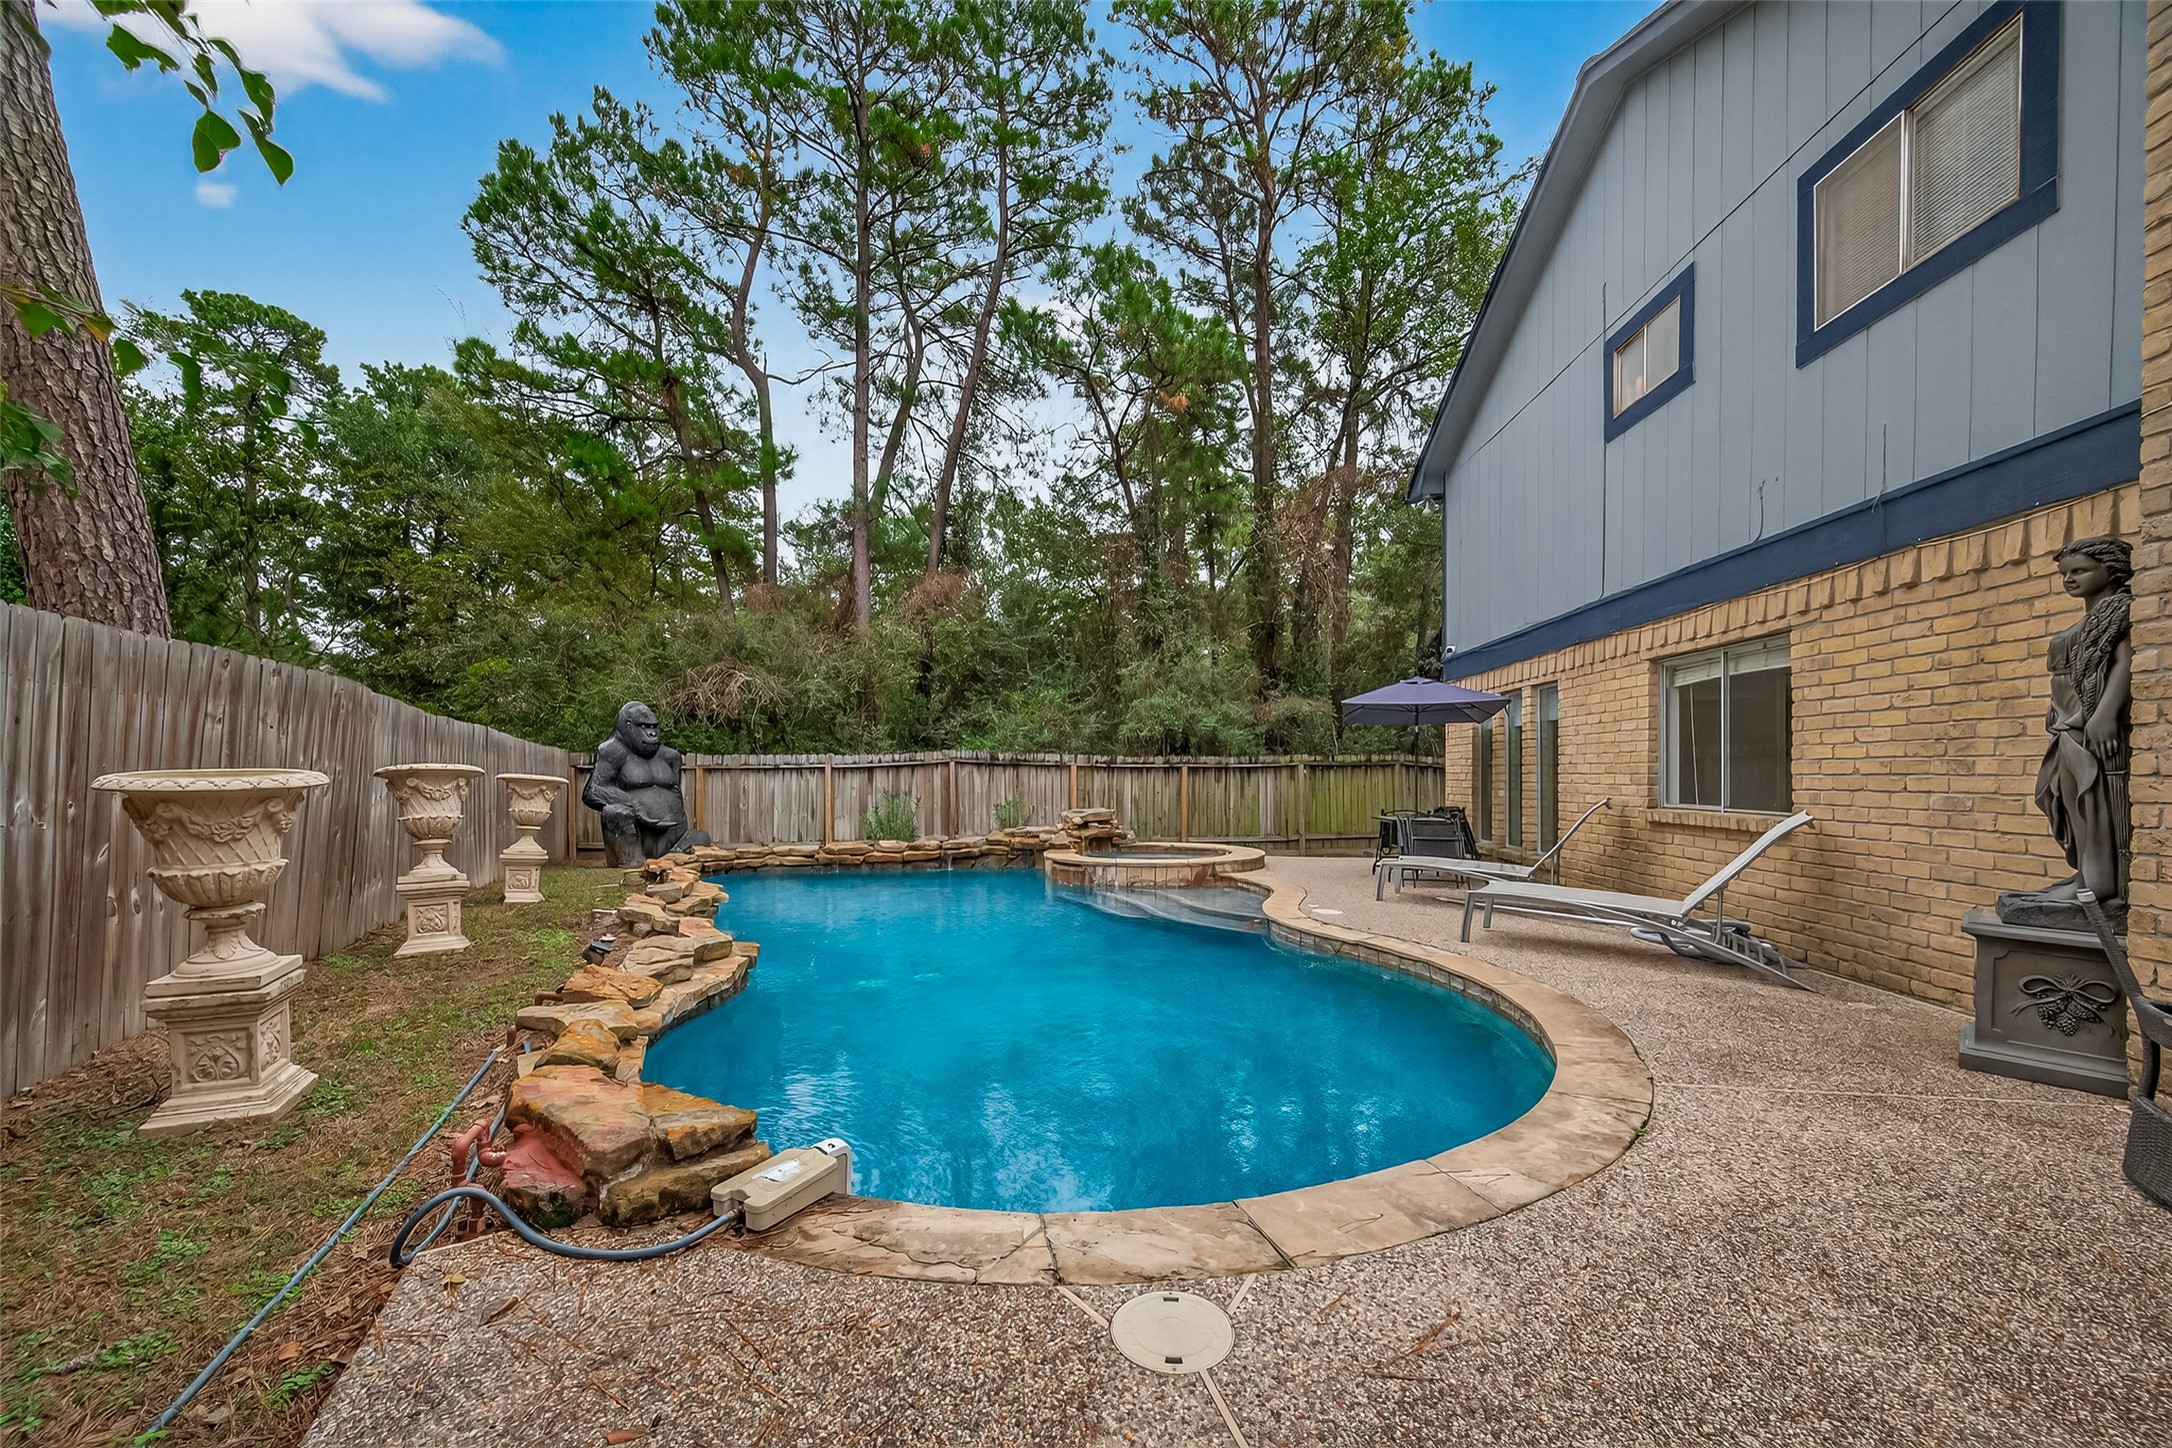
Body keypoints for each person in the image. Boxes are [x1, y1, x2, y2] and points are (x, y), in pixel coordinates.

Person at [2004, 536, 2132, 926]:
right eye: (2065, 573)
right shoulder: (2088, 620)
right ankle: (2082, 877)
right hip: (2064, 723)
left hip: (2089, 725)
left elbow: (2125, 664)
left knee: (2090, 802)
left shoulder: (2119, 613)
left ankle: (2099, 884)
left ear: (2110, 570)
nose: (2070, 579)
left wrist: (2106, 713)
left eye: (2080, 571)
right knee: (2059, 795)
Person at [582, 701, 711, 867]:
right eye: (644, 726)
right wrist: (635, 806)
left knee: (702, 837)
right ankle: (633, 865)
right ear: (628, 726)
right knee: (614, 812)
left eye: (653, 727)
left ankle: (667, 861)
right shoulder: (613, 751)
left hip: (673, 838)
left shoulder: (670, 757)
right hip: (636, 837)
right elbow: (593, 790)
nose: (652, 734)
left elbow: (673, 796)